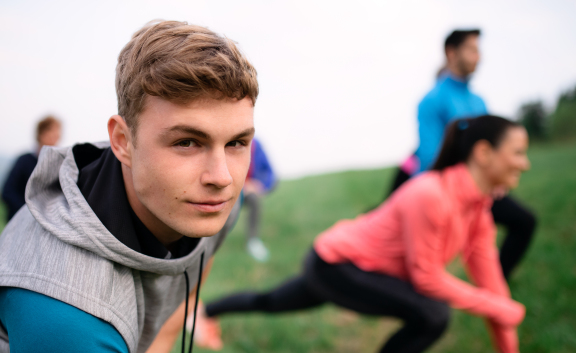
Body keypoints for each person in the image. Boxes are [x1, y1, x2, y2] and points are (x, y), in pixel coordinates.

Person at [0, 20, 259, 353]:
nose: (222, 177)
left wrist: (165, 338)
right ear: (123, 141)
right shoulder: (67, 312)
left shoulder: (212, 203)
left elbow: (185, 291)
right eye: (187, 142)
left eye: (236, 142)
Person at [196, 115, 529, 353]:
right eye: (517, 152)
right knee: (432, 314)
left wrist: (500, 312)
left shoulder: (479, 207)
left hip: (352, 268)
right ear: (484, 153)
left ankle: (205, 311)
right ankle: (202, 313)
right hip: (335, 263)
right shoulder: (429, 195)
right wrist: (496, 307)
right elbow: (426, 278)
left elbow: (494, 287)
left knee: (271, 301)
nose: (524, 163)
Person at [387, 29, 536, 279]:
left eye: (479, 50)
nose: (479, 57)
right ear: (451, 52)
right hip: (448, 189)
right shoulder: (432, 100)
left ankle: (496, 283)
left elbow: (493, 149)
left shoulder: (479, 101)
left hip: (481, 187)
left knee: (524, 222)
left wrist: (495, 179)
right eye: (472, 50)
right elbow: (431, 158)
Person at [0, 115, 62, 221]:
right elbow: (7, 192)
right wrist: (28, 213)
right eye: (51, 135)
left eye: (56, 137)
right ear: (41, 135)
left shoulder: (60, 164)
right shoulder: (24, 161)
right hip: (20, 222)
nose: (54, 141)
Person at [244, 138, 277, 262]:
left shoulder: (256, 145)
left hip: (250, 192)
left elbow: (270, 172)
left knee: (254, 200)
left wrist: (259, 185)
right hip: (232, 187)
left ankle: (253, 241)